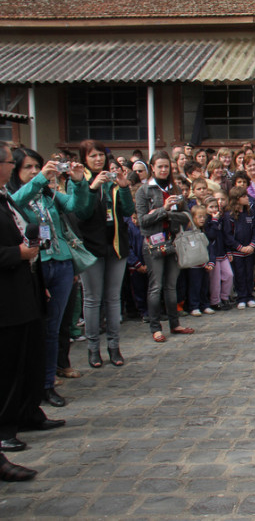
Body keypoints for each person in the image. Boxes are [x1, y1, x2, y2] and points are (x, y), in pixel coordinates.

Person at [8, 147, 91, 406]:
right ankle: (31, 384)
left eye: (37, 167)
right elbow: (18, 201)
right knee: (36, 327)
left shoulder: (48, 194)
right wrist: (41, 178)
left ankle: (47, 383)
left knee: (54, 326)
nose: (34, 172)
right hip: (36, 266)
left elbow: (77, 206)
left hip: (61, 262)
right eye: (28, 168)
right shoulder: (12, 196)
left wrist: (78, 182)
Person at [0, 142, 64, 477]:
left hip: (27, 289)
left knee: (30, 355)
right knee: (9, 364)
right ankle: (6, 431)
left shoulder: (5, 198)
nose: (11, 168)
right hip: (7, 297)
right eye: (11, 163)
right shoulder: (13, 194)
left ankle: (28, 411)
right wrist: (20, 255)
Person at [74, 140, 135, 369]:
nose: (98, 159)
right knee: (92, 299)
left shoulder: (113, 180)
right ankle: (92, 348)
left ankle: (114, 346)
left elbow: (128, 211)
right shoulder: (79, 179)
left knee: (113, 298)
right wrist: (91, 188)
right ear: (84, 159)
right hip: (91, 246)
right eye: (92, 156)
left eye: (100, 155)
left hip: (116, 245)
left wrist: (124, 186)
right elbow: (81, 212)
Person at [134, 150, 195, 343]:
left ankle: (174, 324)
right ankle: (155, 328)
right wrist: (164, 210)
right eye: (159, 166)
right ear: (152, 168)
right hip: (154, 244)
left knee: (171, 286)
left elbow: (187, 216)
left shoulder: (175, 188)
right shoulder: (144, 191)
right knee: (156, 286)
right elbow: (143, 221)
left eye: (166, 166)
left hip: (175, 241)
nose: (163, 169)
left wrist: (168, 214)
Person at [224, 187, 255, 309]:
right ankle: (241, 297)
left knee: (249, 273)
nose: (247, 199)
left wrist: (252, 245)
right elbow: (228, 235)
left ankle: (250, 296)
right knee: (239, 274)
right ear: (238, 199)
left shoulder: (250, 213)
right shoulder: (229, 216)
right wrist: (239, 247)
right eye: (244, 196)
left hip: (249, 250)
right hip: (237, 252)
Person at [204, 197, 233, 312]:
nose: (214, 209)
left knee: (229, 275)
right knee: (215, 279)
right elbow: (211, 235)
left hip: (222, 252)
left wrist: (228, 251)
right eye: (211, 207)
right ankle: (215, 301)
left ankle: (224, 297)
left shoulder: (222, 219)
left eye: (215, 206)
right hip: (213, 254)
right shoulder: (207, 220)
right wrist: (214, 221)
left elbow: (225, 235)